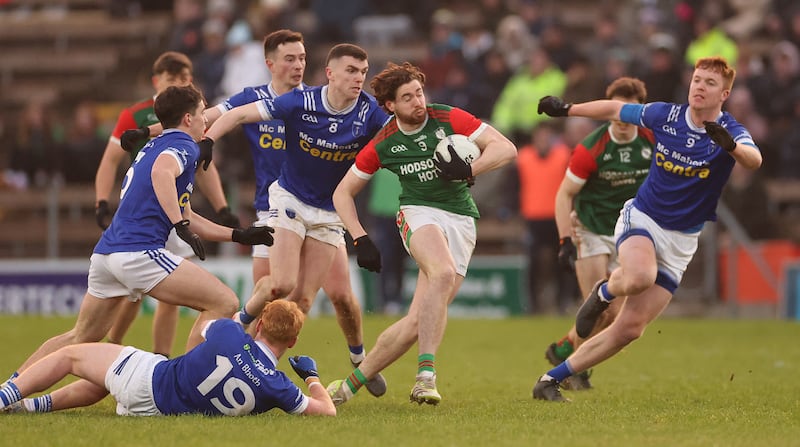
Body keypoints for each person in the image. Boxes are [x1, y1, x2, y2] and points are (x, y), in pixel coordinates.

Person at [3, 85, 275, 385]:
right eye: (201, 114)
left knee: (81, 335)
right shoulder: (185, 147)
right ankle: (183, 384)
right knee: (224, 302)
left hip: (108, 254)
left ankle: (12, 388)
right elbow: (163, 177)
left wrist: (238, 235)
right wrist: (179, 226)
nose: (205, 121)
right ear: (187, 118)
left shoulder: (151, 146)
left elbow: (187, 214)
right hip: (139, 252)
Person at [531, 56, 762, 402]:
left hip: (682, 240)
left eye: (710, 83)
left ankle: (550, 380)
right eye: (697, 80)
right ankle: (604, 292)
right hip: (644, 219)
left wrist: (728, 145)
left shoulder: (731, 130)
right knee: (639, 276)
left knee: (630, 328)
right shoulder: (666, 116)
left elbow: (754, 159)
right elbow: (615, 108)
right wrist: (568, 109)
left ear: (725, 94)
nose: (699, 86)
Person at [199, 43, 391, 395]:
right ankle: (235, 329)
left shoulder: (370, 112)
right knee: (279, 286)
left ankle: (358, 359)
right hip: (289, 200)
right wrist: (208, 139)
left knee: (308, 302)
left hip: (330, 211)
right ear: (330, 73)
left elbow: (407, 131)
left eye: (363, 72)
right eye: (351, 70)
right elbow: (240, 114)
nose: (358, 78)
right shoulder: (301, 102)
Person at [328, 62, 517, 406]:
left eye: (419, 93)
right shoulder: (385, 142)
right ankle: (425, 377)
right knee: (442, 272)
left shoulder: (447, 118)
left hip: (461, 218)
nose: (418, 102)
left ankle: (346, 388)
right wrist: (359, 236)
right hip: (417, 212)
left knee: (417, 321)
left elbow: (506, 148)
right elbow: (342, 193)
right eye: (407, 98)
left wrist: (469, 168)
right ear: (390, 106)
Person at [94, 51, 240, 358]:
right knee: (220, 300)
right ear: (156, 81)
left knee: (164, 298)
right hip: (148, 228)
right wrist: (101, 201)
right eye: (173, 79)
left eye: (185, 77)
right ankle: (151, 364)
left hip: (126, 237)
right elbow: (145, 167)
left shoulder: (167, 133)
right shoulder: (152, 123)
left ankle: (14, 387)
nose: (181, 83)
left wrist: (225, 213)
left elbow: (198, 173)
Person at [0, 300, 336, 417]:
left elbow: (205, 327)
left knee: (70, 355)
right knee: (101, 382)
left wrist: (242, 325)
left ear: (261, 324)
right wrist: (311, 376)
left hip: (150, 379)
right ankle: (28, 408)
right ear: (291, 342)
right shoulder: (276, 386)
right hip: (157, 412)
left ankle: (5, 396)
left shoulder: (230, 335)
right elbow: (327, 411)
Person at [545, 77, 654, 391]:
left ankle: (564, 348)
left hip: (630, 231)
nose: (620, 118)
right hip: (590, 229)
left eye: (628, 111)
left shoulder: (651, 140)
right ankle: (572, 370)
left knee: (614, 317)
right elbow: (564, 195)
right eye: (614, 111)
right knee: (603, 309)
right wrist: (565, 239)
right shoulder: (591, 148)